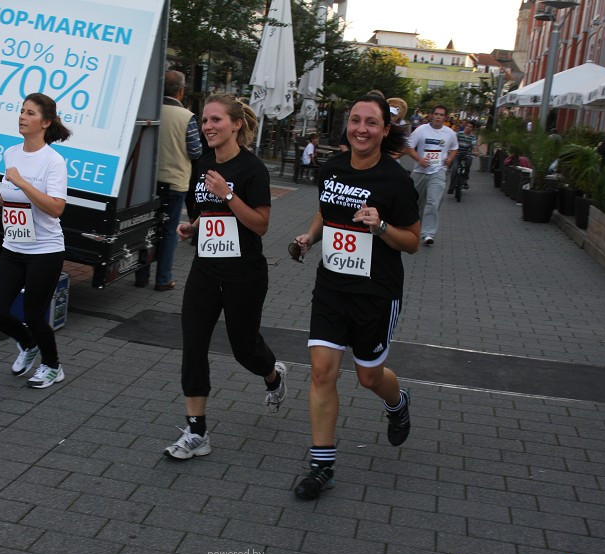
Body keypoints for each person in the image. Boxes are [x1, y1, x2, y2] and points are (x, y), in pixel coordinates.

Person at [290, 94, 420, 499]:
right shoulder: (331, 168)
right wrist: (310, 237)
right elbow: (325, 209)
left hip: (375, 294)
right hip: (331, 286)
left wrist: (381, 227)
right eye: (355, 120)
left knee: (369, 377)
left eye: (371, 123)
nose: (361, 129)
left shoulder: (396, 181)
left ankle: (397, 403)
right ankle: (322, 466)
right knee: (322, 372)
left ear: (384, 130)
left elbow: (413, 241)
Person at [163, 93, 287, 460]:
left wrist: (228, 193)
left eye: (216, 120)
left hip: (243, 274)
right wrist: (195, 227)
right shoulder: (202, 163)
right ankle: (196, 430)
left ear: (235, 125)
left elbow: (260, 225)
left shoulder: (252, 170)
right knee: (194, 344)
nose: (208, 127)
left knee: (244, 349)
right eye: (204, 120)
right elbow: (212, 213)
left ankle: (273, 375)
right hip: (205, 269)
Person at [0, 93, 71, 389]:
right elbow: (14, 196)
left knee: (33, 313)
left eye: (30, 113)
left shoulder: (54, 162)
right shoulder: (11, 154)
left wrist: (22, 183)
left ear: (45, 123)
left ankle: (53, 366)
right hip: (15, 246)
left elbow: (56, 207)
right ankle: (28, 344)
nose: (22, 117)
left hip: (45, 250)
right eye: (21, 111)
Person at [135, 70, 202, 292]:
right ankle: (163, 278)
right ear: (181, 91)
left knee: (147, 228)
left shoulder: (149, 111)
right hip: (175, 182)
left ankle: (141, 274)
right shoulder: (187, 117)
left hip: (147, 182)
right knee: (169, 231)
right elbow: (195, 151)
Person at [405, 105, 457, 245]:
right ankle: (413, 227)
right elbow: (409, 147)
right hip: (420, 171)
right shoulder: (421, 130)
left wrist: (450, 159)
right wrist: (419, 159)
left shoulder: (450, 133)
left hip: (438, 171)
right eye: (436, 114)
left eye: (441, 115)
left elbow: (454, 148)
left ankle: (428, 233)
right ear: (431, 115)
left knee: (433, 202)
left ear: (445, 118)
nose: (438, 117)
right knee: (416, 202)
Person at [447, 120, 478, 193]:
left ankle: (465, 180)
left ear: (472, 129)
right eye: (467, 126)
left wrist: (475, 151)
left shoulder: (472, 137)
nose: (468, 128)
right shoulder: (458, 134)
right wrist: (449, 149)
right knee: (454, 169)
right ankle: (451, 187)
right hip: (457, 154)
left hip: (467, 154)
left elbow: (474, 145)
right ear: (465, 126)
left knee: (468, 164)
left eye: (470, 127)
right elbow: (453, 142)